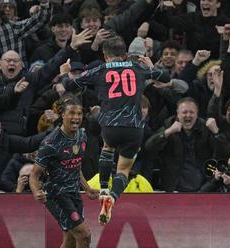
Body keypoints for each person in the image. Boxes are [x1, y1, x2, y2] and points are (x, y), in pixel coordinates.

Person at [63, 36, 170, 225]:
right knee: (123, 170)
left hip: (110, 125)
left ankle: (104, 189)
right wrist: (152, 67)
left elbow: (71, 86)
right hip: (134, 127)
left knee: (107, 148)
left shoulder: (100, 70)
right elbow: (166, 78)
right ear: (126, 55)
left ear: (105, 55)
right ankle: (112, 196)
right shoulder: (138, 68)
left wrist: (66, 74)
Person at [30, 94, 98, 248]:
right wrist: (36, 191)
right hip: (56, 195)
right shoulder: (50, 143)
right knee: (84, 235)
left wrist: (87, 189)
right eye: (71, 113)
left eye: (79, 114)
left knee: (70, 240)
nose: (76, 117)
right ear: (62, 115)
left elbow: (75, 165)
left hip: (73, 193)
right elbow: (34, 174)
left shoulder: (82, 136)